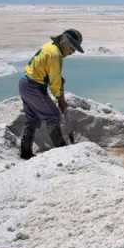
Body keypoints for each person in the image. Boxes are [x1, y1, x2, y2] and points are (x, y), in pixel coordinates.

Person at [18, 29, 84, 160]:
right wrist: (61, 99)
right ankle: (61, 151)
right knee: (53, 116)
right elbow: (55, 83)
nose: (72, 52)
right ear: (64, 41)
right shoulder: (56, 55)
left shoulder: (50, 46)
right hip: (33, 87)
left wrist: (57, 79)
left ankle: (25, 153)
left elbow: (49, 72)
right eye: (72, 48)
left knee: (32, 119)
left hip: (25, 83)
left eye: (75, 49)